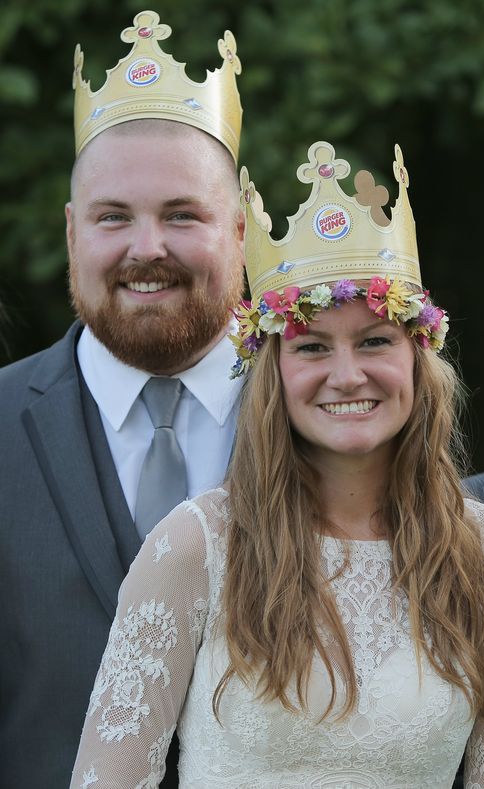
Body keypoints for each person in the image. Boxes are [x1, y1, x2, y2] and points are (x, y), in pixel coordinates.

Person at [70, 140, 484, 788]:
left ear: (418, 355)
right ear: (275, 373)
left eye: (375, 340)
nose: (347, 373)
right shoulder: (197, 547)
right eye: (313, 347)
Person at [0, 11, 245, 789]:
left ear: (240, 230)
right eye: (114, 217)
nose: (148, 248)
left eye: (182, 214)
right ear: (73, 234)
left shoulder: (344, 422)